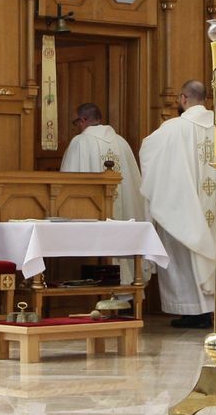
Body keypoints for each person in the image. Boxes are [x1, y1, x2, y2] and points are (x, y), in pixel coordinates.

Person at [139, 80, 216, 328]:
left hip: (185, 208)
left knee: (185, 251)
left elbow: (148, 152)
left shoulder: (173, 129)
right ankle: (211, 309)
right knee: (215, 248)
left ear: (183, 98)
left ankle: (193, 312)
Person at [60, 103, 149, 288]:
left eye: (76, 122)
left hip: (94, 221)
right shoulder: (121, 142)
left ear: (83, 120)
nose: (77, 127)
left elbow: (67, 185)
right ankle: (126, 291)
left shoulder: (80, 142)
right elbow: (135, 184)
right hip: (124, 220)